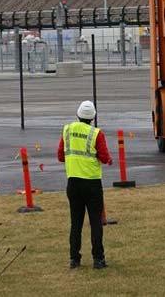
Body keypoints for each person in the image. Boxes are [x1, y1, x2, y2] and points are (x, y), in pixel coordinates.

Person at [57, 100, 113, 269]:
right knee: (95, 222)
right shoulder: (96, 133)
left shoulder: (67, 130)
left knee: (76, 223)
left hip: (73, 183)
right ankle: (98, 259)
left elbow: (60, 156)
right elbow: (104, 157)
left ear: (78, 114)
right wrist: (108, 160)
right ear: (93, 117)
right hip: (92, 183)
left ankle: (74, 259)